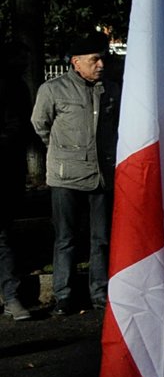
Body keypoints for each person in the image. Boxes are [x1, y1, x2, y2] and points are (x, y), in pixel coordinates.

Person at [31, 33, 120, 316]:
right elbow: (39, 125)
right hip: (66, 177)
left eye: (102, 59)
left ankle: (99, 293)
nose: (101, 65)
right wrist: (61, 153)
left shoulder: (112, 89)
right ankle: (64, 295)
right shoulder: (53, 89)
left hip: (101, 175)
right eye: (94, 60)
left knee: (101, 239)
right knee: (66, 239)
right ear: (76, 62)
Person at [0, 59, 35, 320]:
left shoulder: (10, 87)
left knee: (3, 238)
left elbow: (17, 126)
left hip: (3, 172)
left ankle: (11, 296)